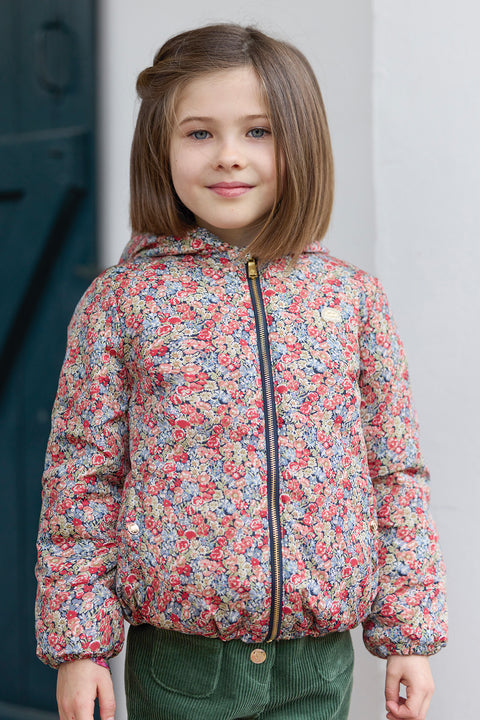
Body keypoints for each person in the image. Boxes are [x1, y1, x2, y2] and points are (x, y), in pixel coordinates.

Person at [35, 23, 447, 720]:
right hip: (182, 665)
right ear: (160, 148)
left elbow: (393, 471)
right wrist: (82, 648)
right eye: (199, 133)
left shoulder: (351, 300)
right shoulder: (123, 303)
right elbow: (82, 481)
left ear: (301, 143)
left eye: (258, 131)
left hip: (318, 664)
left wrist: (408, 634)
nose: (229, 155)